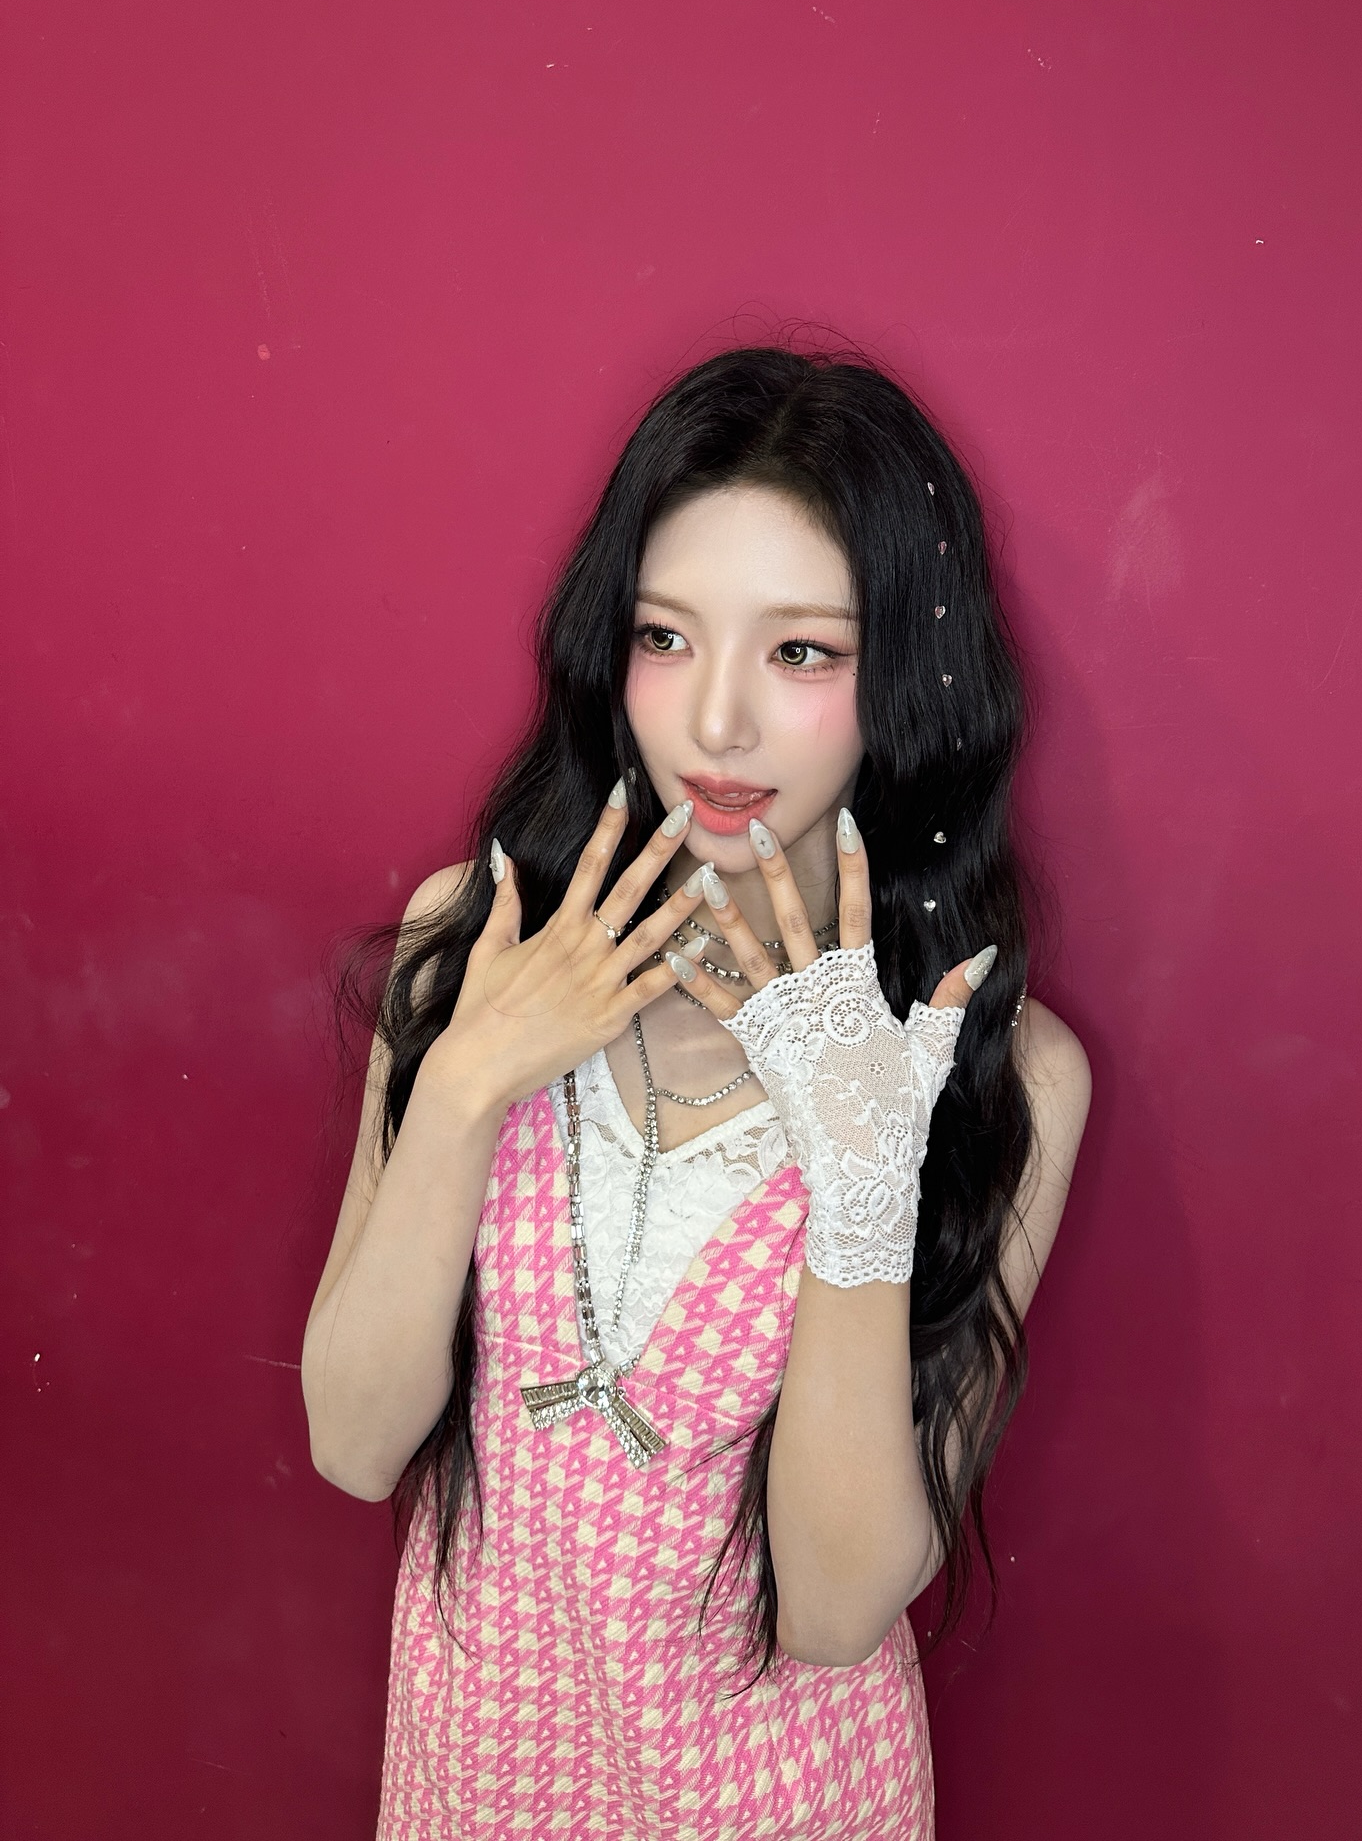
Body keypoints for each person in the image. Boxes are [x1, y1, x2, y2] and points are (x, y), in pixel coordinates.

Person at [302, 343, 1092, 1839]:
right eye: (667, 636)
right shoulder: (468, 940)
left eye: (802, 653)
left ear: (905, 683)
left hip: (781, 1799)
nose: (717, 722)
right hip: (478, 1775)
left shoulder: (998, 1067)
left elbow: (838, 1609)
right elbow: (353, 1445)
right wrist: (468, 1081)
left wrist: (860, 1177)